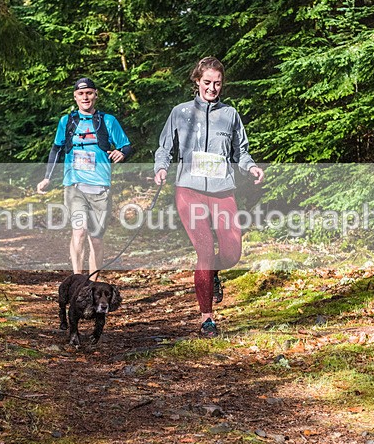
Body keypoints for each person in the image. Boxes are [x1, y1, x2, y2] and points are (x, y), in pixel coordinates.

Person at [154, 57, 265, 338]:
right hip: (189, 190)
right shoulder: (180, 112)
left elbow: (241, 152)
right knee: (204, 250)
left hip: (222, 190)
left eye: (217, 83)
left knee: (232, 253)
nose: (212, 88)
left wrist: (251, 167)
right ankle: (207, 318)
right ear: (197, 81)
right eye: (207, 82)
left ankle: (212, 272)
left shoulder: (230, 114)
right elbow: (164, 148)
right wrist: (161, 168)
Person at [37, 77, 133, 279]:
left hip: (100, 188)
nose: (85, 97)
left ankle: (93, 283)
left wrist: (121, 153)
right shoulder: (66, 121)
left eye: (89, 93)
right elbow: (56, 149)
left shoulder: (108, 121)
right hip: (75, 186)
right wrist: (47, 178)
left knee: (96, 239)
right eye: (80, 94)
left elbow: (126, 146)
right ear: (75, 97)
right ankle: (77, 281)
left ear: (96, 95)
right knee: (79, 231)